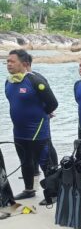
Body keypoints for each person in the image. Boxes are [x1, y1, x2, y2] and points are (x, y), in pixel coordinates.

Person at [5, 50, 58, 201]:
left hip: (37, 128)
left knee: (45, 161)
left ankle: (53, 192)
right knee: (25, 161)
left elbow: (53, 103)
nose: (8, 64)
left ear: (25, 64)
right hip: (19, 130)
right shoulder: (9, 82)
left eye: (12, 61)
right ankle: (29, 190)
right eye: (7, 61)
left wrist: (44, 115)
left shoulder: (35, 80)